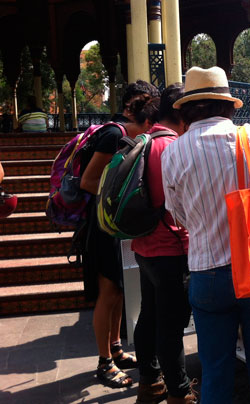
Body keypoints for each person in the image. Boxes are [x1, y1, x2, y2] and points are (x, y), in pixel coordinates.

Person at [161, 66, 250, 404]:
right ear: (227, 105)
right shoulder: (248, 137)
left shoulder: (173, 151)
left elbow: (177, 215)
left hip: (207, 275)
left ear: (189, 108)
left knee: (215, 372)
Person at [79, 81, 160, 389]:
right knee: (108, 292)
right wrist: (119, 194)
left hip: (113, 222)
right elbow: (88, 181)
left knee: (119, 292)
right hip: (102, 225)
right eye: (144, 104)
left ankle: (116, 348)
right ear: (130, 106)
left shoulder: (126, 136)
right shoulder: (113, 135)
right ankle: (104, 362)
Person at [131, 84, 197, 404]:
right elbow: (184, 206)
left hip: (144, 246)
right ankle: (179, 393)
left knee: (149, 315)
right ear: (182, 113)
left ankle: (149, 381)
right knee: (171, 328)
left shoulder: (144, 141)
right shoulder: (173, 147)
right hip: (170, 248)